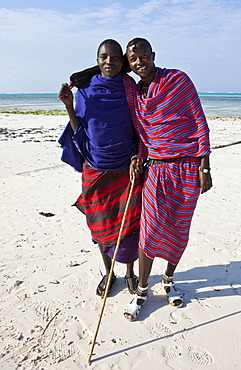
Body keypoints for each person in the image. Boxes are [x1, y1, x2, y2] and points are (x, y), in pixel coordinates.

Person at [121, 37, 213, 321]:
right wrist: (138, 157)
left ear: (153, 55)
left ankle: (169, 279)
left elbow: (199, 121)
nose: (140, 62)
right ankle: (142, 291)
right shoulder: (134, 94)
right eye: (133, 59)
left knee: (179, 229)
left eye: (143, 56)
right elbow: (143, 137)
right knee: (148, 232)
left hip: (187, 170)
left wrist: (205, 167)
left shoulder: (178, 80)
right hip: (156, 171)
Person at [58, 39, 144, 298]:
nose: (109, 62)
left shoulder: (129, 87)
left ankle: (129, 273)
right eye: (104, 57)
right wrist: (69, 106)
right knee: (99, 225)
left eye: (115, 57)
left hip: (126, 168)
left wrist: (138, 157)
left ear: (123, 62)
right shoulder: (85, 88)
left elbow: (142, 125)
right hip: (94, 168)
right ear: (97, 60)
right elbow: (80, 130)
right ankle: (109, 273)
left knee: (129, 226)